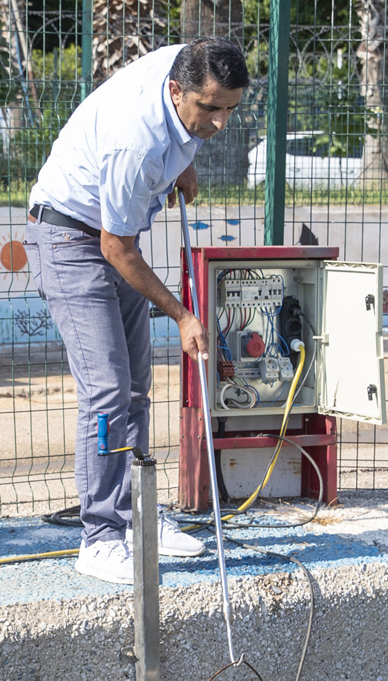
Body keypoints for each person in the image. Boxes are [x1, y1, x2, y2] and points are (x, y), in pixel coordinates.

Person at [25, 37, 249, 585]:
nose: (220, 123)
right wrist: (183, 315)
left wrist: (183, 162)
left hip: (110, 236)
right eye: (209, 109)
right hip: (71, 240)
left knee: (135, 389)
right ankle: (100, 538)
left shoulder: (191, 62)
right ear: (175, 91)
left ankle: (136, 518)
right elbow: (117, 249)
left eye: (230, 109)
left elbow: (192, 118)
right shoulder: (136, 143)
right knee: (106, 392)